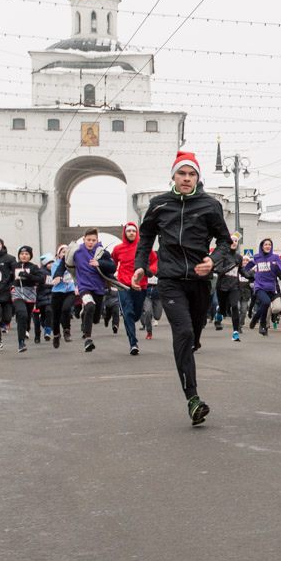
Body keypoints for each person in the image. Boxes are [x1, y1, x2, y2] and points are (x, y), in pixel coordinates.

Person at [132, 151, 235, 426]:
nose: (187, 178)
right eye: (182, 174)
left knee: (194, 333)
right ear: (174, 176)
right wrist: (140, 265)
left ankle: (193, 341)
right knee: (184, 332)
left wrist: (211, 261)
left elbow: (225, 242)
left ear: (197, 178)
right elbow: (145, 238)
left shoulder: (210, 205)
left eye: (191, 174)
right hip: (170, 280)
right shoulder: (158, 205)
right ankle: (193, 399)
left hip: (200, 282)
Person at [60, 229, 116, 353]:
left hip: (99, 288)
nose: (91, 242)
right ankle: (88, 339)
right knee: (90, 306)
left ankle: (86, 314)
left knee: (96, 318)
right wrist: (58, 275)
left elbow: (113, 267)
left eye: (93, 240)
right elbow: (63, 263)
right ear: (84, 239)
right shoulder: (76, 251)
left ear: (97, 240)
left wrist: (99, 263)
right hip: (84, 287)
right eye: (88, 240)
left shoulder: (102, 252)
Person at [111, 221, 157, 355]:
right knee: (127, 313)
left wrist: (151, 271)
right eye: (129, 231)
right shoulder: (118, 249)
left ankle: (134, 324)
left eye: (133, 231)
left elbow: (155, 260)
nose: (131, 233)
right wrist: (107, 275)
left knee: (136, 314)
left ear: (136, 233)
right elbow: (112, 264)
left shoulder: (143, 247)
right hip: (123, 285)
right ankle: (133, 342)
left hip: (140, 285)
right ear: (125, 233)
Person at [244, 238, 281, 337]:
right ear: (262, 246)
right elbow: (249, 265)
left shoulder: (275, 257)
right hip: (259, 286)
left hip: (270, 287)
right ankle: (262, 325)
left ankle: (255, 318)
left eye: (269, 244)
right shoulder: (257, 257)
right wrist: (243, 272)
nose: (268, 246)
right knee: (266, 302)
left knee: (265, 305)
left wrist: (277, 265)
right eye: (266, 244)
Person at [213, 233, 244, 342]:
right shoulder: (222, 255)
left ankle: (235, 332)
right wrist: (230, 266)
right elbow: (218, 270)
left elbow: (240, 271)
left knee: (235, 306)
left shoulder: (238, 257)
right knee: (223, 309)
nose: (234, 243)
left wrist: (251, 275)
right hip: (222, 286)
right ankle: (219, 312)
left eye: (236, 241)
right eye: (232, 241)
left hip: (234, 285)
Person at [10, 245, 41, 353]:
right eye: (22, 254)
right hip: (17, 293)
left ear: (30, 256)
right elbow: (9, 278)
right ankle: (21, 342)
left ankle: (26, 329)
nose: (24, 256)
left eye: (26, 254)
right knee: (21, 314)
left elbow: (41, 279)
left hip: (29, 293)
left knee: (27, 316)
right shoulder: (14, 266)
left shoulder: (33, 267)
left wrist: (29, 276)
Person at [48, 244, 75, 348]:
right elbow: (56, 275)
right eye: (63, 252)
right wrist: (59, 276)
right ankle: (55, 335)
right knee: (56, 316)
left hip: (70, 291)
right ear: (59, 254)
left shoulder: (74, 264)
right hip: (58, 292)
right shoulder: (55, 265)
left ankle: (67, 331)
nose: (65, 253)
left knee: (66, 309)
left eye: (67, 252)